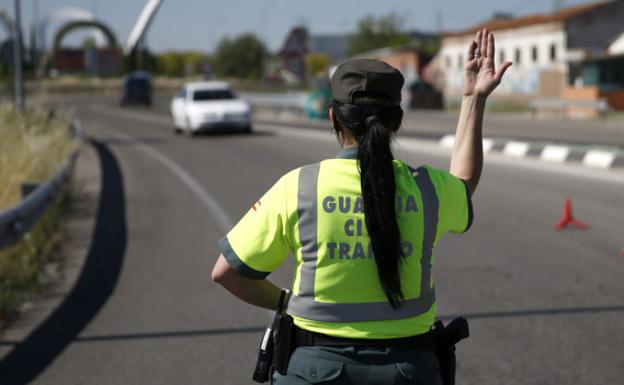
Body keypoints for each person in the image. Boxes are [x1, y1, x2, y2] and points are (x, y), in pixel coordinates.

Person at [212, 29, 511, 385]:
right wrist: (472, 99)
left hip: (313, 370)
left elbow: (226, 273)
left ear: (333, 118)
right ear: (397, 121)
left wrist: (284, 302)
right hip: (410, 371)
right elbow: (464, 182)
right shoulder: (428, 189)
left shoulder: (299, 186)